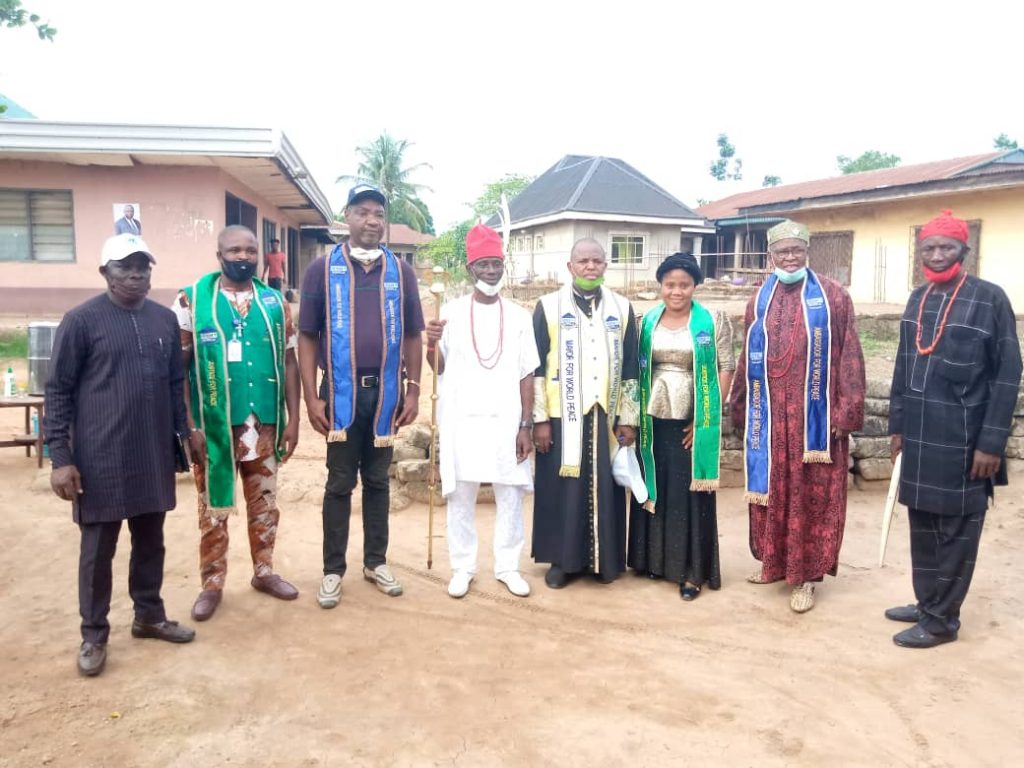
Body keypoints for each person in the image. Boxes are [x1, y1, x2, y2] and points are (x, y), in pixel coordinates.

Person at [44, 233, 195, 677]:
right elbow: (58, 392)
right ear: (104, 273)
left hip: (151, 453)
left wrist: (186, 432)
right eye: (124, 267)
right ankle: (93, 634)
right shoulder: (81, 321)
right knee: (97, 551)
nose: (135, 274)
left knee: (152, 541)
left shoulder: (164, 321)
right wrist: (61, 457)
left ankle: (148, 615)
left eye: (143, 266)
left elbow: (173, 386)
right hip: (99, 457)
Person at [886, 210, 1022, 648]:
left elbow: (1008, 372)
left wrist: (992, 442)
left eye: (947, 247)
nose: (938, 255)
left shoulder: (990, 298)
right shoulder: (916, 298)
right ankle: (929, 603)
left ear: (965, 250)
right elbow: (904, 367)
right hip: (922, 433)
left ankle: (943, 622)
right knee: (922, 523)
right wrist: (898, 427)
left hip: (966, 439)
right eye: (929, 247)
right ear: (920, 251)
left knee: (958, 529)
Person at [298, 184, 424, 608]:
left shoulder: (400, 272)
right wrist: (312, 400)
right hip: (339, 395)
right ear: (347, 218)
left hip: (385, 396)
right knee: (338, 484)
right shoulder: (322, 269)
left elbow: (412, 333)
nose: (372, 221)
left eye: (378, 214)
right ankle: (333, 571)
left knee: (377, 482)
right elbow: (306, 336)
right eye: (363, 212)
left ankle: (376, 561)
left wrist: (414, 388)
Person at [730, 220, 865, 613]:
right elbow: (746, 355)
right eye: (782, 251)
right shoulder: (759, 298)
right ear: (770, 255)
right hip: (770, 415)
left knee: (810, 497)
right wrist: (740, 403)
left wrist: (846, 409)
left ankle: (806, 577)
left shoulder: (834, 297)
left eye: (796, 250)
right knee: (772, 490)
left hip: (814, 420)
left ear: (808, 251)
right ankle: (773, 563)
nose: (789, 257)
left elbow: (850, 353)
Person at [172, 225, 301, 622]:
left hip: (262, 425)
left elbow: (291, 363)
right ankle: (212, 584)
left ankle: (264, 572)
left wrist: (294, 419)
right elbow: (178, 370)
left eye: (250, 250)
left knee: (264, 503)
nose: (243, 256)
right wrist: (189, 426)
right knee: (214, 508)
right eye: (235, 250)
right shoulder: (192, 301)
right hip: (214, 429)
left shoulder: (275, 303)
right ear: (219, 255)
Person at [424, 224, 539, 599]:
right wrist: (431, 343)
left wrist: (526, 423)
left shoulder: (520, 316)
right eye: (484, 265)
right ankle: (463, 567)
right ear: (471, 268)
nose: (491, 271)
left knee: (511, 494)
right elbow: (438, 369)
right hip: (463, 420)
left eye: (496, 264)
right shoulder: (451, 313)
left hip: (507, 420)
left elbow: (527, 373)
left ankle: (507, 566)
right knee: (461, 496)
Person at [531, 237, 640, 588]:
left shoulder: (622, 309)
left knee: (606, 488)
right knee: (562, 487)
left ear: (605, 266)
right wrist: (540, 420)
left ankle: (604, 561)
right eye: (583, 261)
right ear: (570, 266)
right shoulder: (548, 306)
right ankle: (562, 561)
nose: (590, 267)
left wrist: (628, 418)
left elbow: (631, 370)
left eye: (596, 261)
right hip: (562, 415)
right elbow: (535, 368)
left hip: (605, 413)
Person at [629, 252, 734, 601]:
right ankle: (653, 561)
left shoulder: (712, 321)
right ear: (660, 286)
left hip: (693, 416)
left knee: (689, 492)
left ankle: (692, 571)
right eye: (670, 284)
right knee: (655, 486)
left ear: (694, 286)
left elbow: (726, 366)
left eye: (684, 285)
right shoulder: (646, 320)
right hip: (652, 417)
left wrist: (706, 418)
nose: (676, 291)